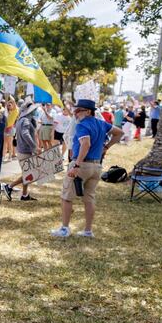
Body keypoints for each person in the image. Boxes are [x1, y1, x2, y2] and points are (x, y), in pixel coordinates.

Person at [51, 99, 121, 238]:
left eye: (78, 110)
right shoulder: (101, 123)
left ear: (88, 111)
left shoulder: (82, 125)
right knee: (89, 198)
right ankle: (88, 231)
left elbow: (85, 144)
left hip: (82, 165)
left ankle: (65, 229)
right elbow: (119, 133)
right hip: (96, 166)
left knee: (67, 197)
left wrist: (76, 165)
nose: (75, 113)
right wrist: (106, 147)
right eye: (75, 110)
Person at [3, 101, 42, 201]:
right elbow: (25, 134)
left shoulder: (23, 119)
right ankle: (9, 187)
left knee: (28, 173)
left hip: (23, 150)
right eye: (33, 109)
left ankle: (24, 195)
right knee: (29, 174)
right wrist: (34, 147)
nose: (35, 111)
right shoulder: (25, 120)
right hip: (25, 151)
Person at [3, 96, 19, 160]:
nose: (9, 106)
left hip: (10, 128)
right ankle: (3, 156)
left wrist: (9, 94)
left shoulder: (15, 111)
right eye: (8, 105)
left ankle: (10, 157)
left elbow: (13, 100)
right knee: (4, 143)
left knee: (10, 143)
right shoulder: (7, 111)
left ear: (13, 105)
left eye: (10, 105)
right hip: (5, 128)